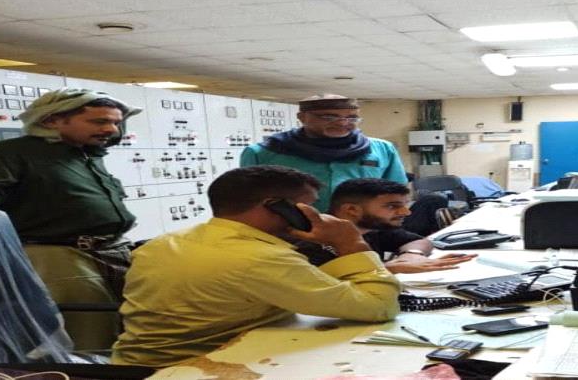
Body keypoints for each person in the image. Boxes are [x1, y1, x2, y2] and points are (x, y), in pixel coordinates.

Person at [112, 165, 400, 367]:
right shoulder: (259, 257)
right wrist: (351, 242)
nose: (317, 213)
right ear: (277, 207)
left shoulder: (169, 240)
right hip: (190, 368)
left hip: (139, 361)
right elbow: (378, 307)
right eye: (309, 205)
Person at [0, 87, 142, 301]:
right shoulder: (8, 153)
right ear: (50, 121)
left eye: (116, 123)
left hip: (111, 250)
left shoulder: (85, 154)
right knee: (89, 318)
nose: (111, 129)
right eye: (99, 122)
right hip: (60, 256)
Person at [240, 93, 407, 212]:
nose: (342, 123)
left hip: (363, 230)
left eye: (351, 118)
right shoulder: (263, 152)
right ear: (302, 117)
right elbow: (248, 201)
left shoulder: (382, 149)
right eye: (329, 117)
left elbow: (395, 194)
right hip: (289, 231)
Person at [295, 178, 476, 274]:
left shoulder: (372, 229)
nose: (406, 212)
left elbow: (420, 241)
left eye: (405, 204)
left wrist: (412, 256)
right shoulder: (310, 242)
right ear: (351, 210)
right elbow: (317, 284)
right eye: (392, 206)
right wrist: (387, 269)